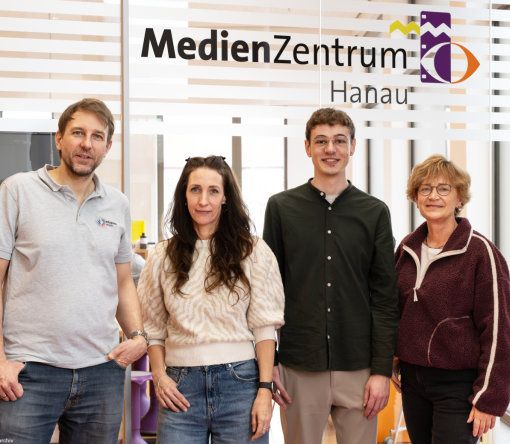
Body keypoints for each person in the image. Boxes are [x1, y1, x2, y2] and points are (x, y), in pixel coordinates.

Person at [0, 98, 148, 443]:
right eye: (78, 133)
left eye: (97, 136)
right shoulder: (17, 191)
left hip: (102, 371)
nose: (86, 144)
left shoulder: (117, 204)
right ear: (59, 139)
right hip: (29, 371)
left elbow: (122, 282)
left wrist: (139, 336)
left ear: (107, 148)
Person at [263, 107, 399, 444]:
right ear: (307, 147)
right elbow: (267, 293)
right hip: (299, 364)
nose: (330, 149)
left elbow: (385, 298)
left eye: (339, 140)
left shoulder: (375, 212)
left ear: (352, 147)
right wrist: (270, 364)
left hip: (359, 365)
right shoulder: (281, 208)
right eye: (321, 141)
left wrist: (381, 370)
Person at [138, 155, 285, 443]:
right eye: (195, 189)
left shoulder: (253, 251)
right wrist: (159, 376)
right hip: (179, 388)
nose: (203, 200)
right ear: (184, 195)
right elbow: (152, 329)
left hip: (241, 386)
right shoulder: (161, 256)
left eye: (213, 191)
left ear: (225, 197)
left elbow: (265, 328)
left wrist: (264, 390)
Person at [392, 154, 510, 444]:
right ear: (416, 197)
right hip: (413, 380)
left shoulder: (480, 252)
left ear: (459, 198)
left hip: (459, 385)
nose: (433, 196)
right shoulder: (407, 248)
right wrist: (391, 358)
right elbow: (395, 310)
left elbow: (499, 330)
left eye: (444, 188)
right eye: (425, 189)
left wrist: (489, 397)